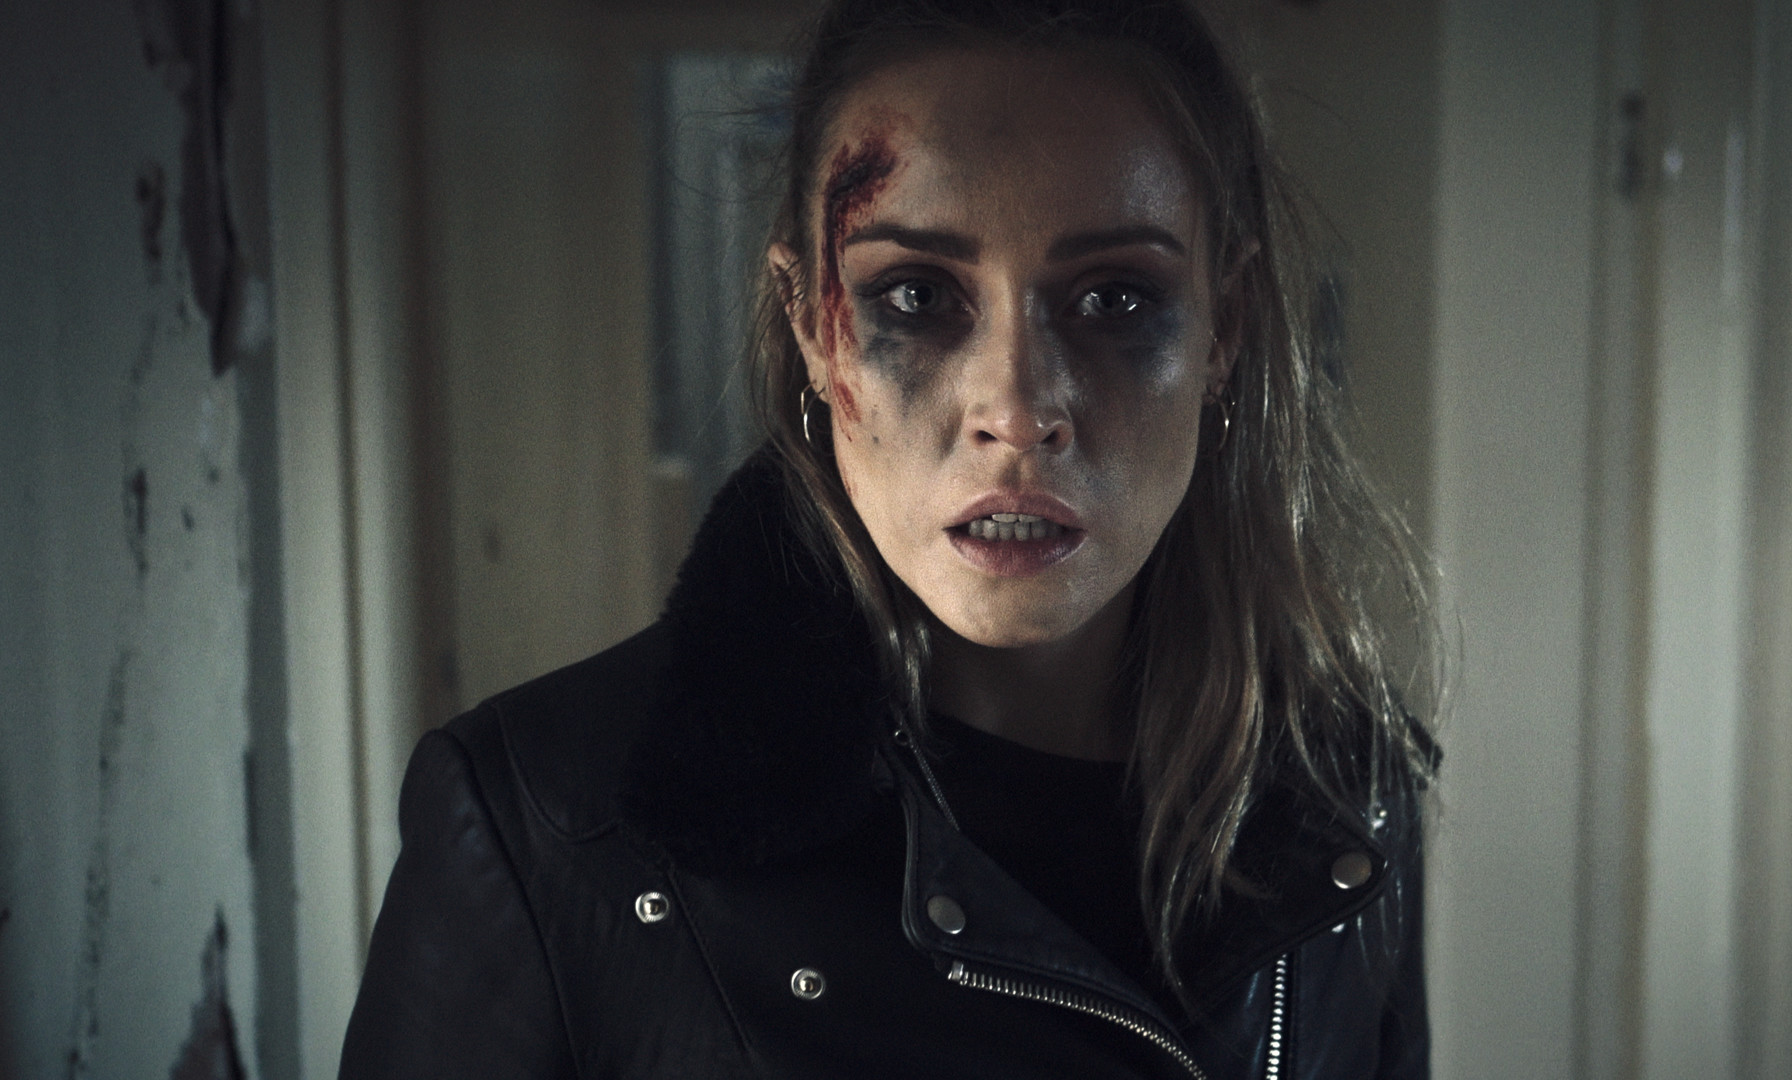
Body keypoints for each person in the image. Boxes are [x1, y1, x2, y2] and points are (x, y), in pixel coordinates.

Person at [340, 0, 1439, 1076]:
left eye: (1113, 299)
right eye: (916, 296)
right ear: (812, 327)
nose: (1016, 409)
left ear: (1224, 329)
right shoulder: (543, 828)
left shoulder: (1344, 798)